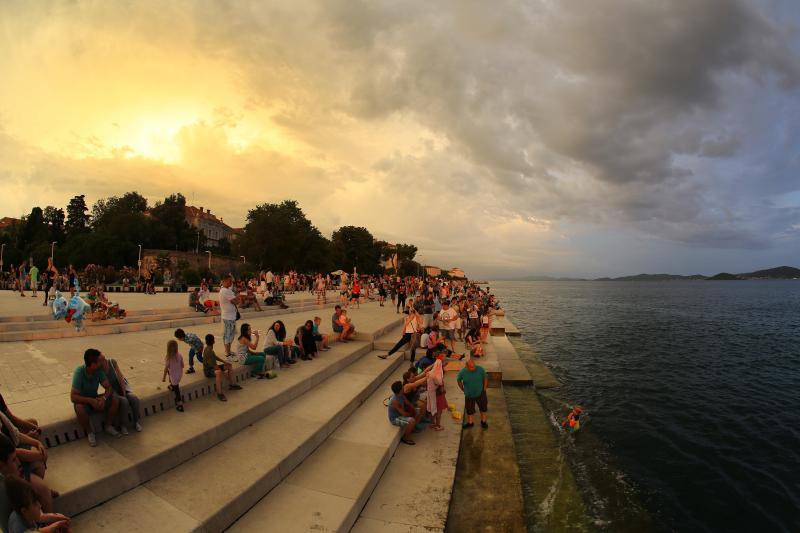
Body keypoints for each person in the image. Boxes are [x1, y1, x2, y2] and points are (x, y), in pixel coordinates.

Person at [70, 349, 120, 447]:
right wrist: (90, 401)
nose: (102, 363)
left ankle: (108, 426)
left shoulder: (98, 371)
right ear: (93, 364)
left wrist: (103, 399)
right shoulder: (79, 372)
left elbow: (108, 387)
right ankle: (90, 432)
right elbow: (73, 397)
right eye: (99, 361)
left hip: (95, 398)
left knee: (115, 398)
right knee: (79, 408)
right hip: (84, 401)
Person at [5, 476, 70, 533]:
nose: (40, 505)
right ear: (24, 510)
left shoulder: (25, 514)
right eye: (35, 504)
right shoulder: (18, 526)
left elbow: (41, 518)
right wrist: (57, 525)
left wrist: (57, 518)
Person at [100, 357, 142, 434]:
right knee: (124, 402)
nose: (105, 360)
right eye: (102, 360)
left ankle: (136, 422)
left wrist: (124, 393)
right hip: (112, 392)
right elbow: (107, 387)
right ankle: (123, 426)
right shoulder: (100, 371)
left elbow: (121, 378)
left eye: (104, 358)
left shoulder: (112, 362)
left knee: (134, 399)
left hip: (122, 388)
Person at [203, 334, 241, 402]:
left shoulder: (209, 348)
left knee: (229, 365)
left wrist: (224, 362)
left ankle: (232, 385)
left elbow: (215, 357)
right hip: (208, 371)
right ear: (214, 341)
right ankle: (219, 393)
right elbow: (215, 367)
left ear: (206, 342)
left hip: (212, 367)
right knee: (218, 372)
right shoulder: (208, 351)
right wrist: (224, 373)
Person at [387, 381, 423, 446]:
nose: (404, 387)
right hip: (395, 418)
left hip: (401, 413)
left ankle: (413, 428)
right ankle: (405, 438)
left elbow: (408, 403)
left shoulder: (401, 395)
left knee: (418, 411)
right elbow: (404, 414)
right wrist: (412, 414)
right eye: (402, 387)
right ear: (400, 390)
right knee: (412, 421)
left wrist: (414, 410)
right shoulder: (395, 401)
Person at [456, 359, 488, 429]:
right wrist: (462, 389)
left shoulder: (480, 369)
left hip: (480, 392)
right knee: (469, 409)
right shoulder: (462, 372)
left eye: (474, 366)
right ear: (466, 366)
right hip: (469, 394)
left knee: (483, 408)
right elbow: (458, 380)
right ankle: (470, 423)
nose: (473, 368)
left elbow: (485, 377)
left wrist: (484, 388)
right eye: (471, 367)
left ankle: (483, 421)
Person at [218, 275, 239, 358]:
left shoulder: (225, 290)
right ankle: (227, 353)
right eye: (230, 281)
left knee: (229, 335)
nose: (231, 283)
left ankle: (228, 351)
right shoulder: (225, 291)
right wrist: (238, 297)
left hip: (229, 316)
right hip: (228, 317)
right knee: (228, 335)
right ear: (225, 281)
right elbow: (235, 301)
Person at [427, 355, 448, 431]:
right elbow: (441, 389)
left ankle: (432, 423)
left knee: (433, 409)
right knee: (439, 412)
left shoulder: (431, 373)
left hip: (432, 395)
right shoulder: (438, 377)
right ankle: (438, 425)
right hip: (439, 396)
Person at [162, 340, 185, 412]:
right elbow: (183, 365)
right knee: (173, 380)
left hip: (174, 378)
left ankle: (180, 405)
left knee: (177, 391)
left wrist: (164, 377)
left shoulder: (168, 358)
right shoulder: (180, 355)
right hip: (179, 375)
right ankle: (171, 386)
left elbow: (166, 369)